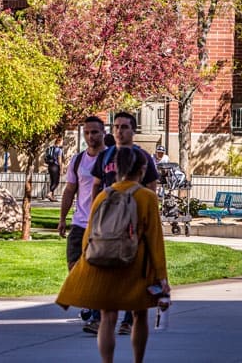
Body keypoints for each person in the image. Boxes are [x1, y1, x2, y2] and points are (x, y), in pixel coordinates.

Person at [57, 146, 169, 363]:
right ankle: (138, 360)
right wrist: (161, 276)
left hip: (108, 264)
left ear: (117, 169)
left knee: (108, 317)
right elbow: (155, 240)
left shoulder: (103, 196)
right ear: (143, 169)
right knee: (140, 316)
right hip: (137, 267)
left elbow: (89, 236)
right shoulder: (147, 197)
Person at [91, 112, 158, 336]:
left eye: (125, 127)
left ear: (133, 130)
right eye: (116, 127)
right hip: (109, 221)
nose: (120, 131)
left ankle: (128, 319)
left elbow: (151, 187)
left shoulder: (143, 158)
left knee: (132, 270)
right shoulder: (106, 156)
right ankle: (101, 316)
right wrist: (94, 215)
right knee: (105, 267)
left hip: (133, 222)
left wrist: (145, 218)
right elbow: (96, 186)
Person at [58, 116, 107, 334]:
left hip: (103, 224)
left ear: (103, 132)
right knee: (74, 268)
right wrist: (62, 218)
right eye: (86, 132)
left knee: (96, 271)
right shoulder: (78, 160)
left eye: (94, 132)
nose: (90, 137)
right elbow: (70, 190)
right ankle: (89, 302)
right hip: (79, 222)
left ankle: (97, 318)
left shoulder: (110, 159)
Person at [45, 135, 64, 202]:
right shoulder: (59, 150)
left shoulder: (51, 148)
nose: (62, 143)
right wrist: (61, 169)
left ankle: (52, 197)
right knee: (56, 182)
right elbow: (59, 160)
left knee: (52, 181)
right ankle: (49, 193)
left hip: (50, 166)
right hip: (55, 166)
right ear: (59, 141)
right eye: (62, 141)